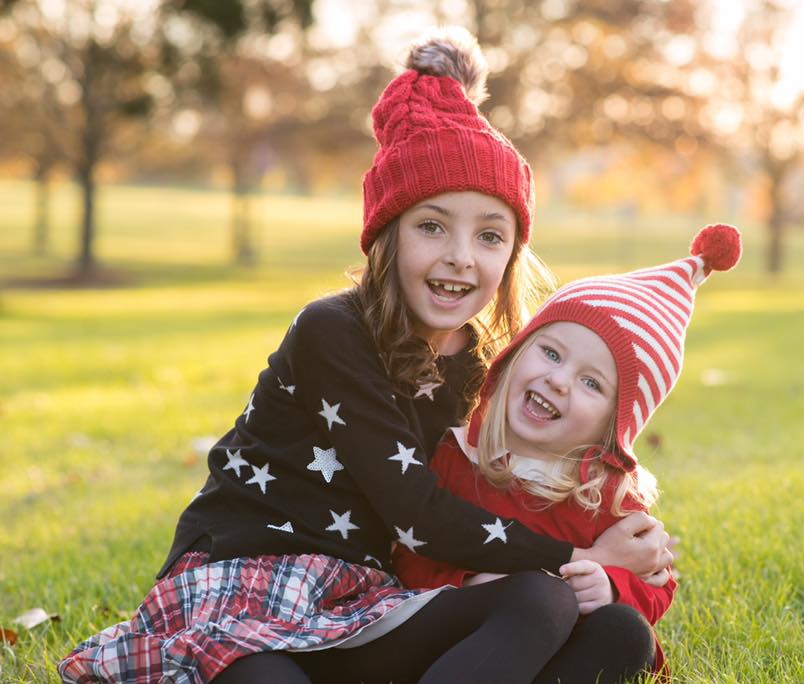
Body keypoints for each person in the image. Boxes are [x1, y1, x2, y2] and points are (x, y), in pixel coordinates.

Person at [58, 28, 672, 684]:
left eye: (489, 235)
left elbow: (522, 485)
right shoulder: (334, 331)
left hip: (363, 605)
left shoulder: (487, 362)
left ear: (511, 256)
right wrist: (579, 549)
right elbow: (419, 512)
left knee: (601, 625)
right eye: (432, 226)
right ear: (388, 235)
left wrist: (615, 557)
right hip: (248, 586)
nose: (461, 255)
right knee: (270, 681)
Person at [393, 223, 742, 683]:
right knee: (529, 607)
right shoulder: (459, 457)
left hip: (556, 659)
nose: (559, 381)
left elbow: (658, 582)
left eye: (591, 382)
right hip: (465, 646)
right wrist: (477, 587)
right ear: (516, 355)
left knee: (626, 633)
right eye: (552, 354)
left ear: (613, 427)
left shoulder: (606, 494)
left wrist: (613, 585)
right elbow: (409, 560)